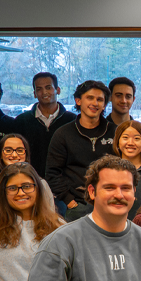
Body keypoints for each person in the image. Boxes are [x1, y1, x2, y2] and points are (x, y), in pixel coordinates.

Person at [47, 80, 116, 213]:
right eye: (90, 98)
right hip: (77, 205)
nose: (95, 103)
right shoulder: (63, 134)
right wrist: (69, 201)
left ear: (104, 105)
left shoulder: (115, 132)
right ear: (78, 101)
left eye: (100, 100)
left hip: (110, 202)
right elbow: (52, 173)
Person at [0, 133, 56, 219]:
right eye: (8, 150)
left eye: (20, 150)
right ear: (0, 154)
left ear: (26, 154)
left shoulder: (41, 183)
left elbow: (50, 217)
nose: (14, 155)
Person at [7, 72, 75, 176]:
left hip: (64, 183)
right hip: (30, 181)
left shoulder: (72, 120)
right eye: (39, 89)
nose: (44, 92)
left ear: (58, 90)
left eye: (48, 87)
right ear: (34, 94)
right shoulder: (21, 121)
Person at [110, 119, 141, 219]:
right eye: (125, 137)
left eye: (137, 138)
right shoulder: (108, 170)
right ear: (117, 141)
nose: (130, 143)